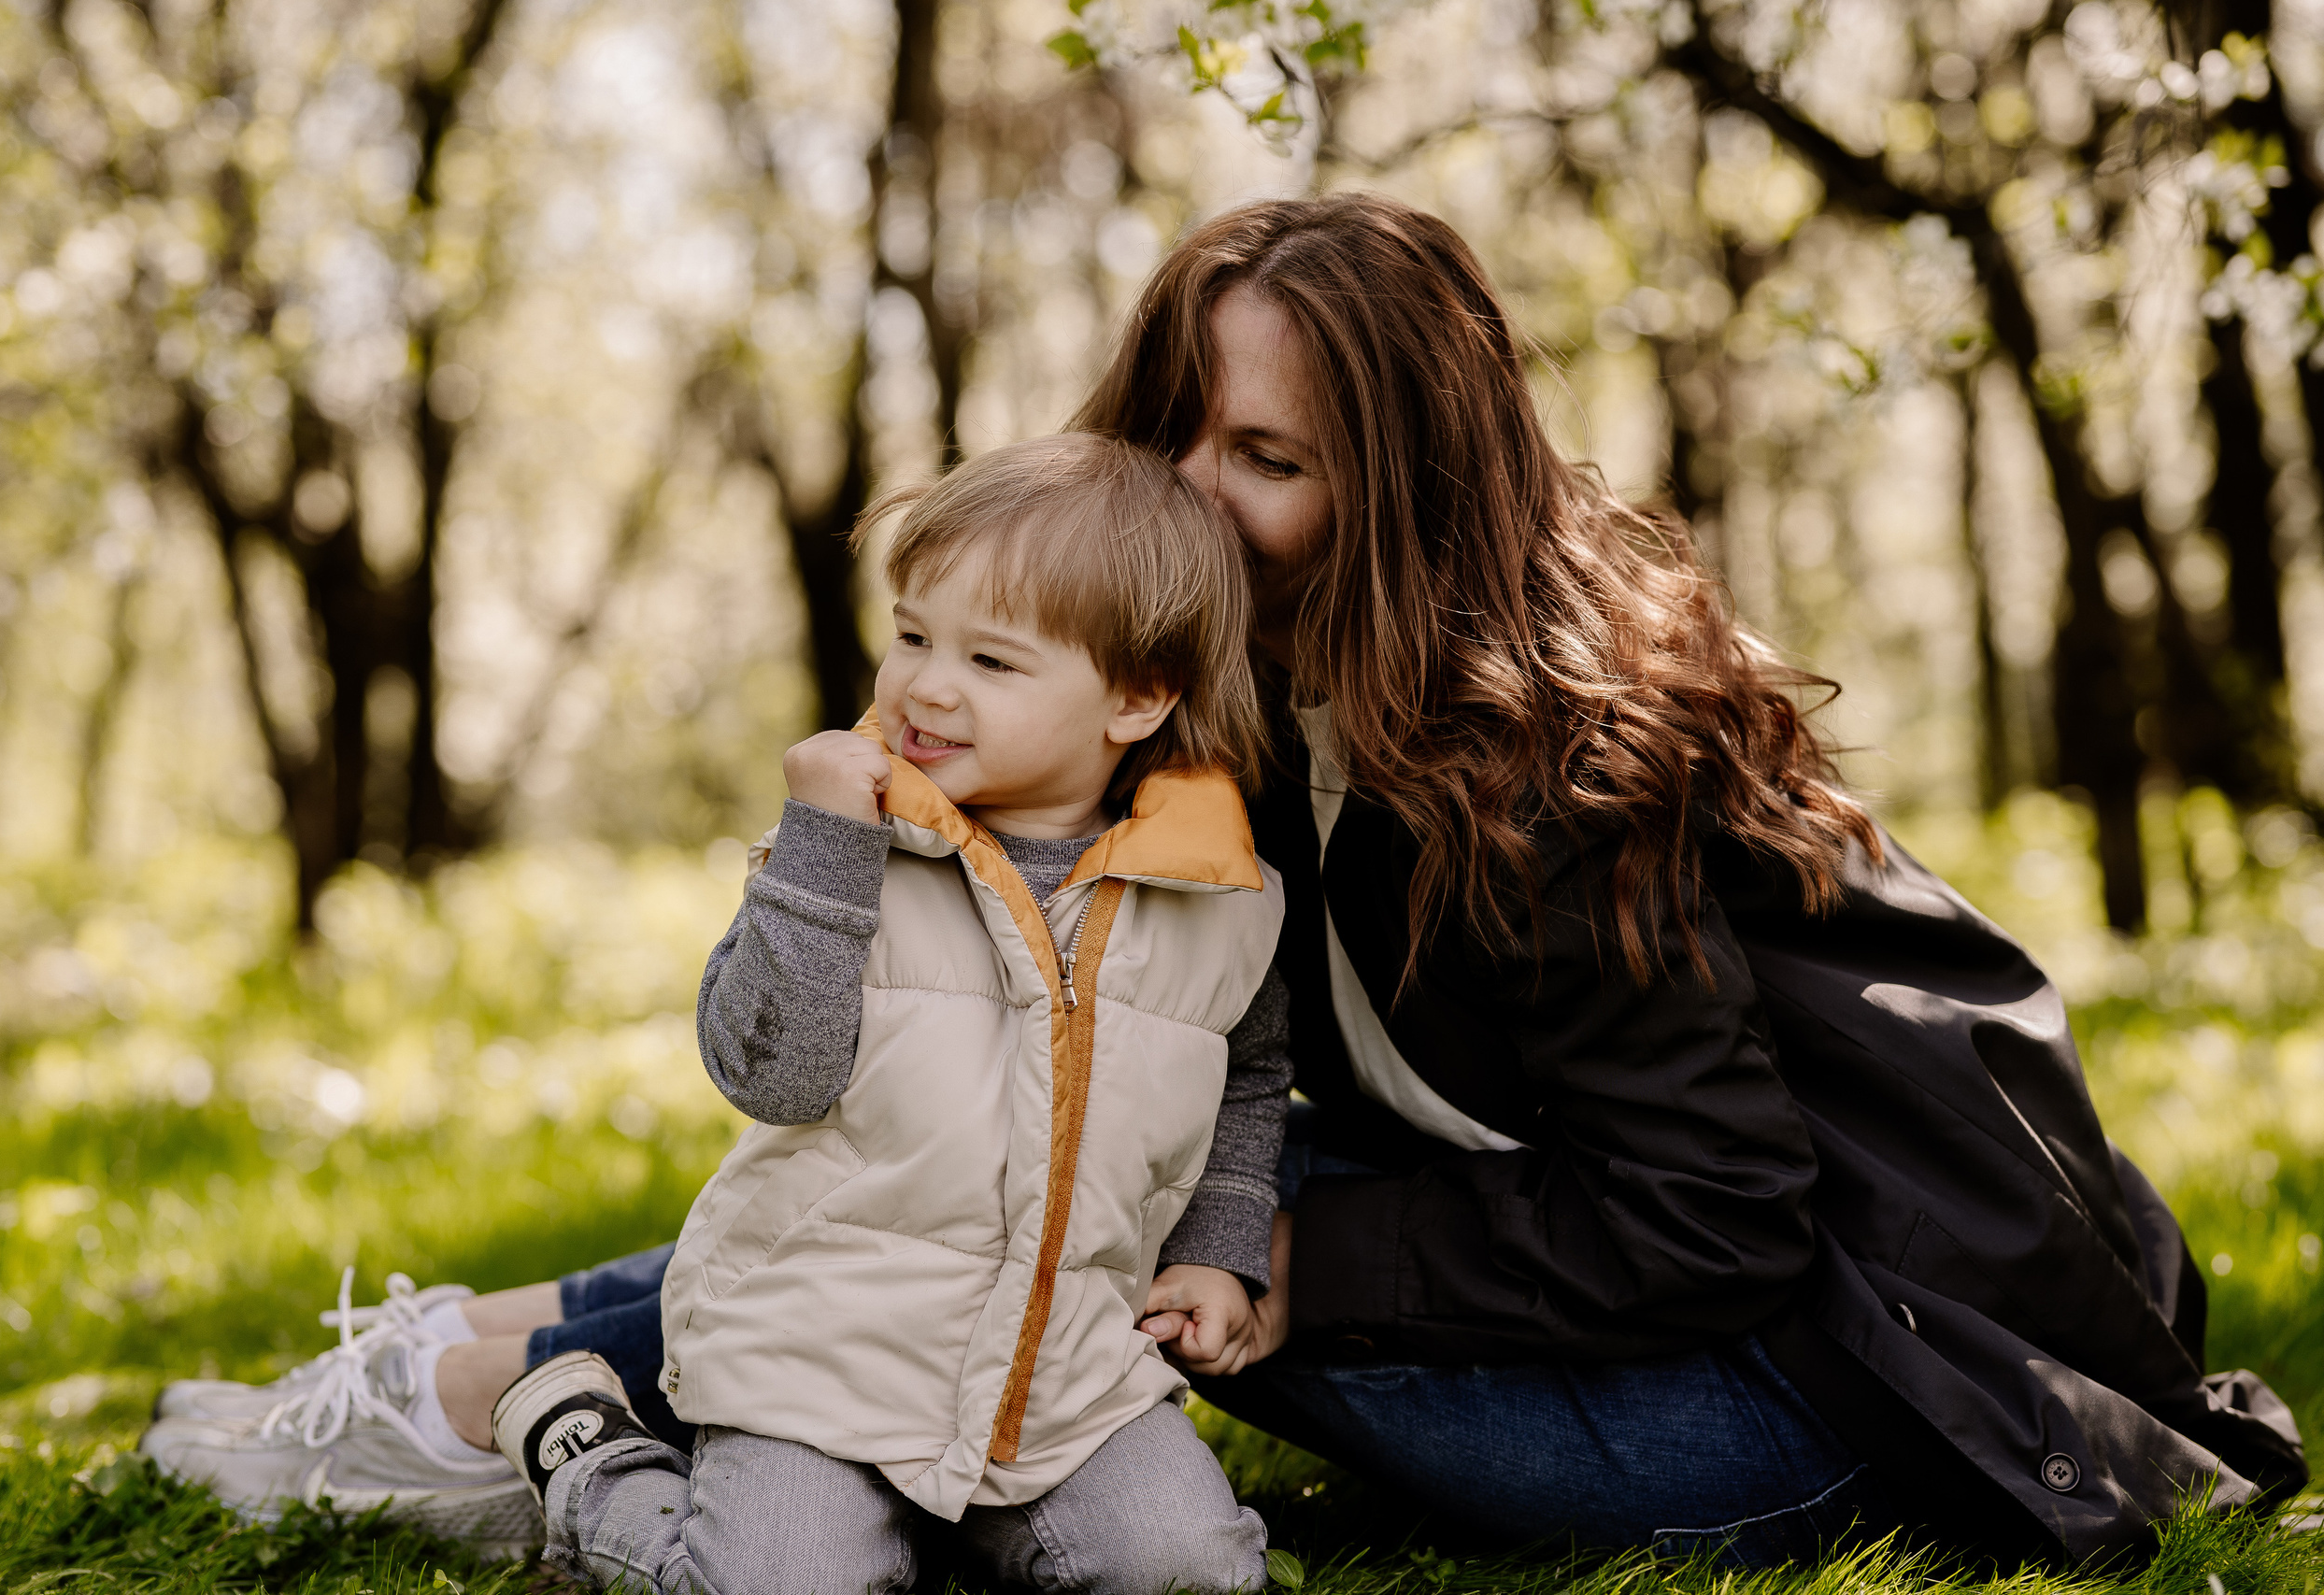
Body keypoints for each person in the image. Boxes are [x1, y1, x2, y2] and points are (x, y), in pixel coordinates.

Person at [147, 191, 2308, 1570]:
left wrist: (1292, 1258)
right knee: (1018, 1138)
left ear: (1403, 490)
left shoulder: (1550, 760)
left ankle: (464, 1400)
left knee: (1086, 1213)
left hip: (1785, 1396)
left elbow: (1712, 1213)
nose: (1194, 486)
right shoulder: (1249, 713)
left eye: (1262, 458)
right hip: (1582, 1265)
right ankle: (457, 1362)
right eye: (1179, 427)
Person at [150, 433, 1291, 1595]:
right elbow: (770, 1075)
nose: (925, 686)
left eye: (992, 661)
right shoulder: (854, 850)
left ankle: (936, 1540)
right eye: (910, 636)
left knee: (1191, 1571)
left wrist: (1218, 1251)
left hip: (1064, 1392)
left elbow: (1247, 1076)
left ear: (1138, 697)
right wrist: (822, 857)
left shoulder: (1221, 900)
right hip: (810, 1374)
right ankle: (585, 1455)